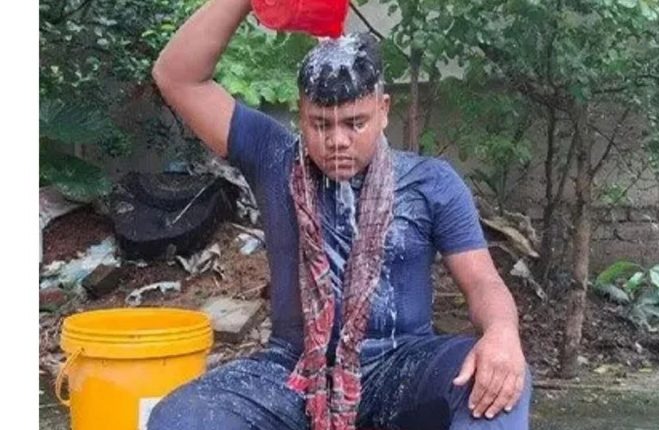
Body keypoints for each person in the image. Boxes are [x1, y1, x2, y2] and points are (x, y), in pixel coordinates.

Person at [148, 0, 532, 429]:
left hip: (403, 365)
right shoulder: (273, 158)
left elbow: (482, 282)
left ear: (384, 110)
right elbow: (176, 76)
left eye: (355, 123)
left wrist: (502, 332)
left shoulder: (430, 182)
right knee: (181, 417)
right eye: (321, 124)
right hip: (294, 370)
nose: (337, 141)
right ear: (301, 114)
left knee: (498, 381)